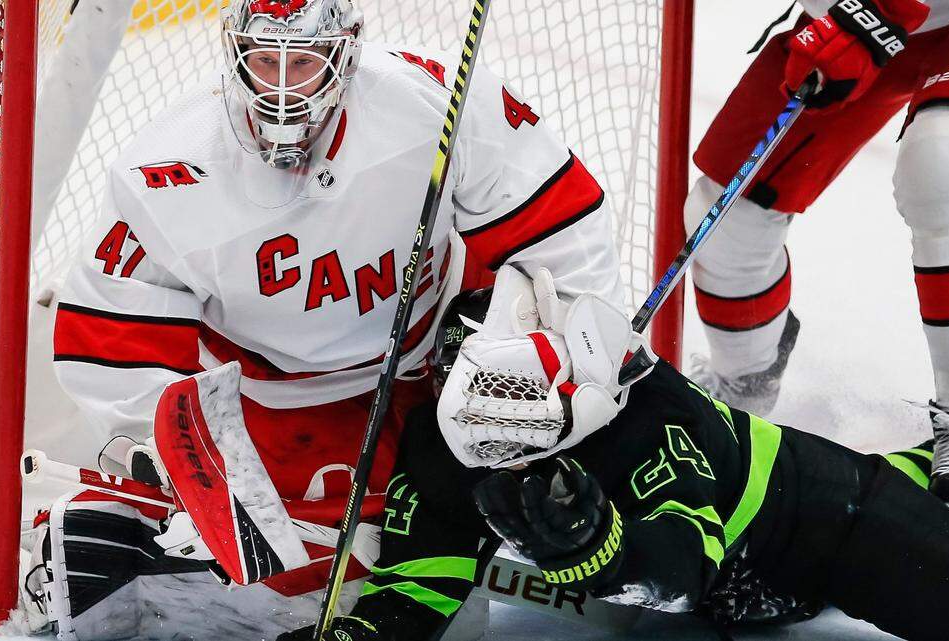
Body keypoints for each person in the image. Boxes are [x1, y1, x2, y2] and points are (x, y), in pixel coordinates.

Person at [31, 0, 630, 637]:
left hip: (449, 359)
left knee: (542, 505)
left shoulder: (432, 101)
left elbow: (561, 228)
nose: (283, 89)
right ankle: (115, 536)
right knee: (340, 567)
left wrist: (561, 358)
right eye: (265, 62)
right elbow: (112, 338)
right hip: (280, 400)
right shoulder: (165, 172)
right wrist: (173, 457)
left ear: (344, 54)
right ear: (234, 56)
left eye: (304, 63)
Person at [279, 281, 949, 641]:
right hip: (721, 596)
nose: (493, 445)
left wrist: (600, 547)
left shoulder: (647, 413)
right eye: (474, 414)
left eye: (513, 412)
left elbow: (689, 564)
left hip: (815, 530)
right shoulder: (449, 434)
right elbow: (426, 573)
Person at [683, 0, 949, 506]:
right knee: (727, 215)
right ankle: (745, 381)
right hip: (847, 18)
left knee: (947, 163)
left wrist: (879, 10)